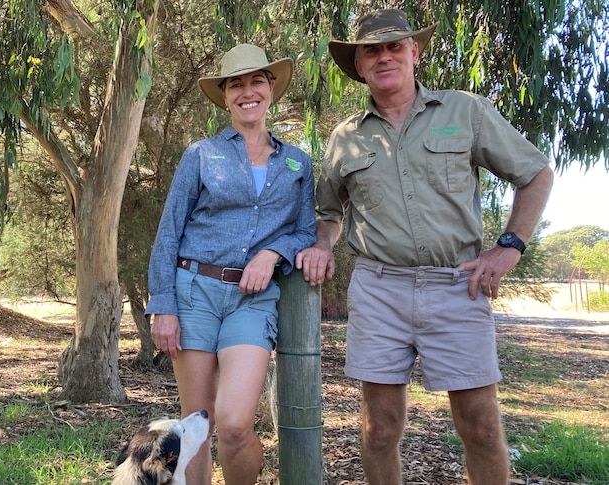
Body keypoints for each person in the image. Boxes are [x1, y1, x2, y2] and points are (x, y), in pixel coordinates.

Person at [299, 9, 554, 485]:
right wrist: (322, 245)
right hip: (379, 290)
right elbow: (329, 212)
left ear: (415, 53)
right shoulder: (345, 137)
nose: (384, 56)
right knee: (378, 430)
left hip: (459, 286)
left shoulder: (464, 111)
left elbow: (536, 173)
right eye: (371, 50)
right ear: (358, 66)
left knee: (480, 426)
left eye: (395, 46)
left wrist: (509, 247)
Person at [146, 43, 318, 484]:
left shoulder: (298, 162)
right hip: (193, 292)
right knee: (197, 428)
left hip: (252, 299)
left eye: (256, 80)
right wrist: (162, 305)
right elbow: (169, 232)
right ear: (224, 96)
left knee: (237, 422)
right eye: (235, 84)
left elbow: (305, 232)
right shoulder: (201, 154)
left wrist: (271, 252)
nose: (247, 91)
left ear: (271, 88)